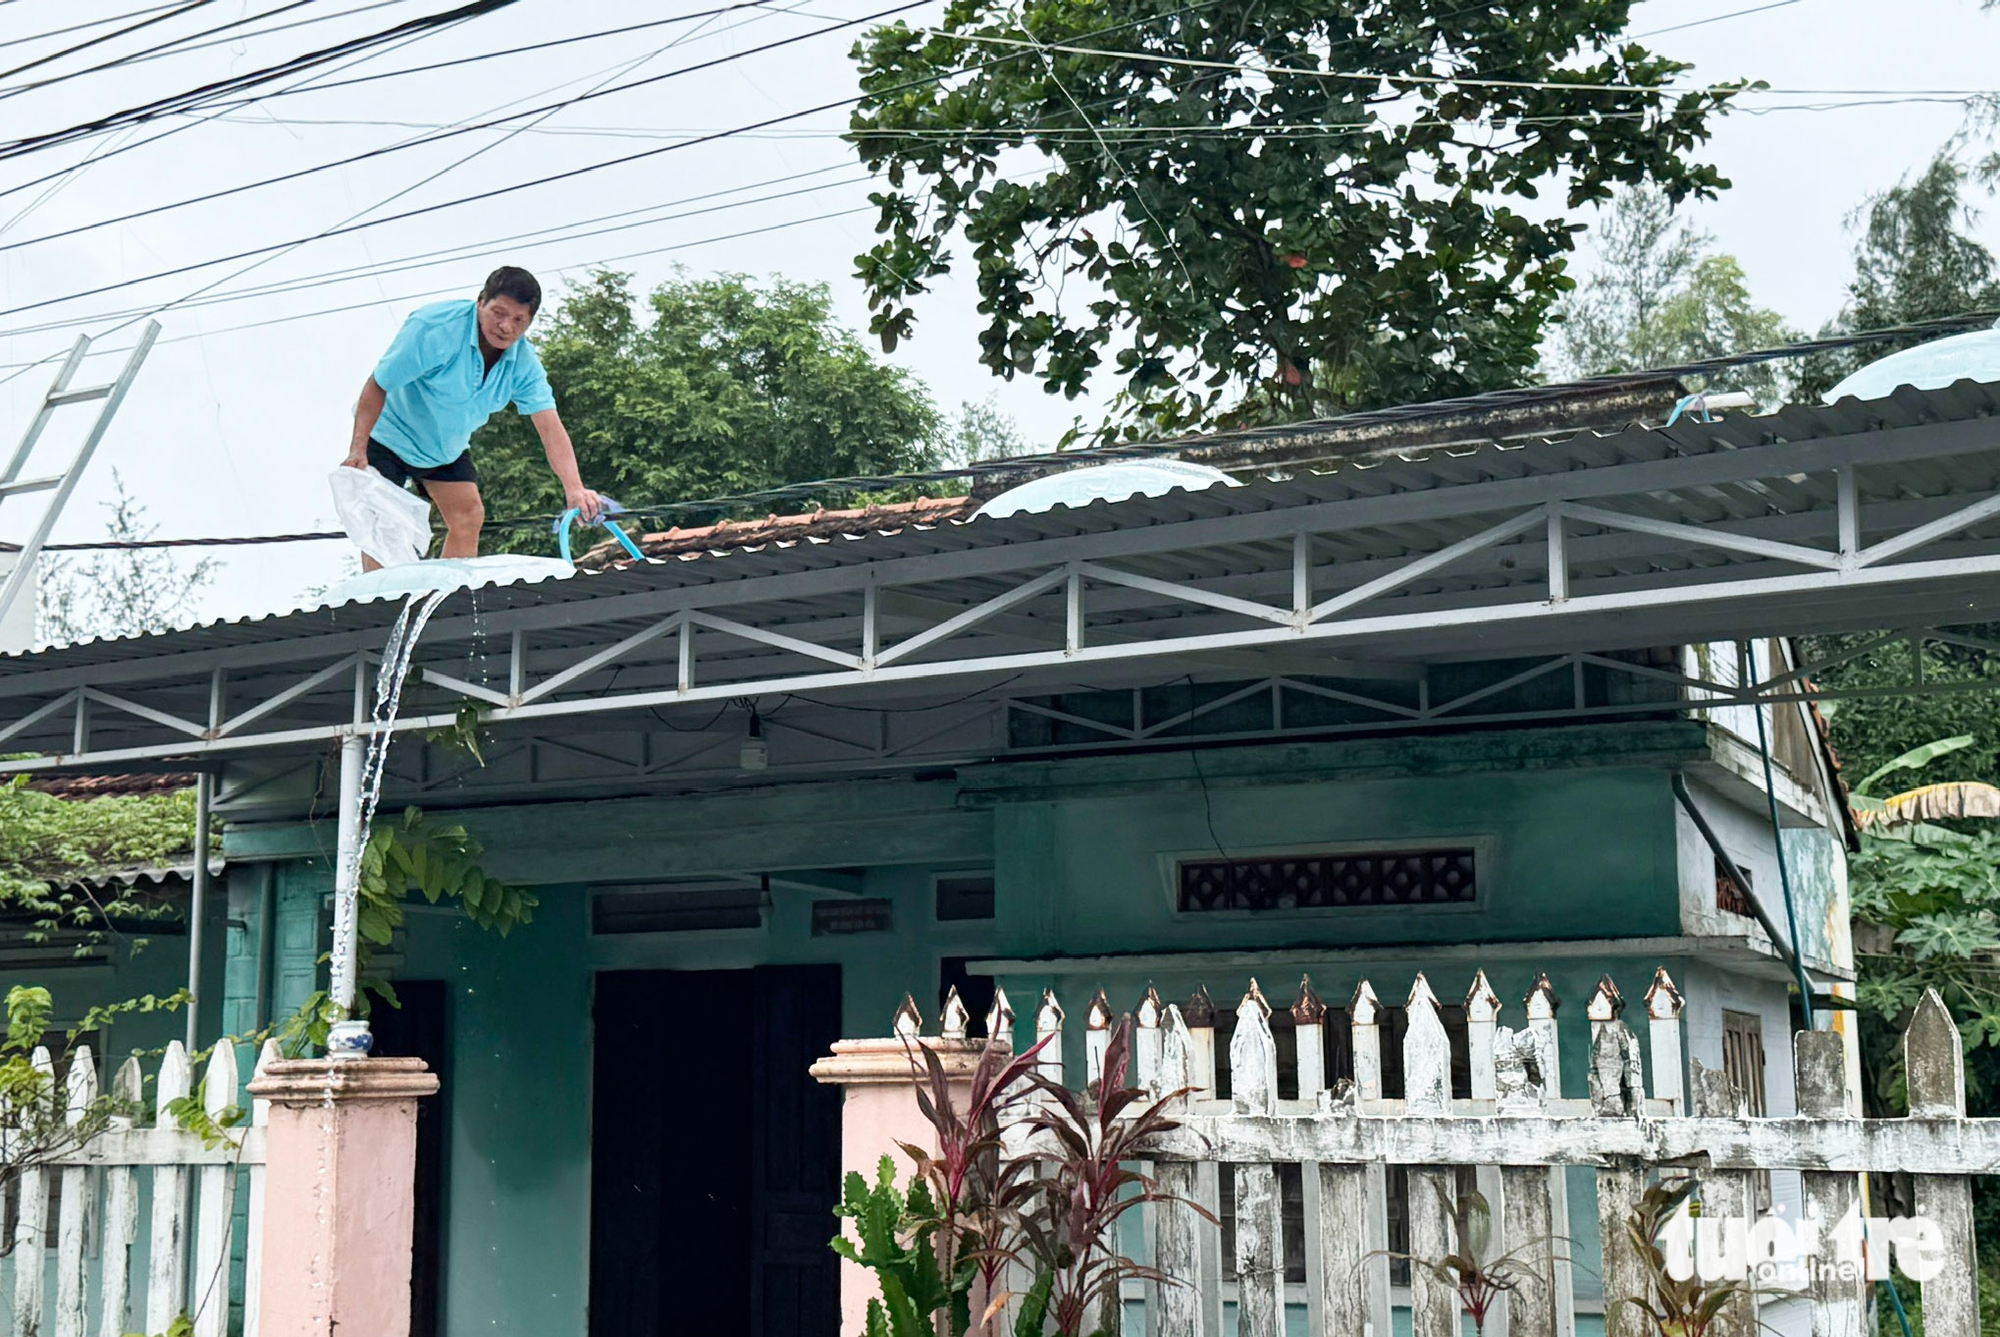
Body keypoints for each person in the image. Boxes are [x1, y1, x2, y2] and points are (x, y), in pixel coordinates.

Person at [340, 265, 602, 571]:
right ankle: (382, 606)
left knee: (469, 514)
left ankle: (446, 602)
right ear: (480, 302)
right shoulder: (433, 328)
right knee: (385, 526)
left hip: (443, 448)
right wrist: (357, 449)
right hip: (387, 435)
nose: (506, 327)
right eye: (499, 313)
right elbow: (378, 384)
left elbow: (550, 427)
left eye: (519, 320)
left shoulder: (524, 366)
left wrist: (575, 488)